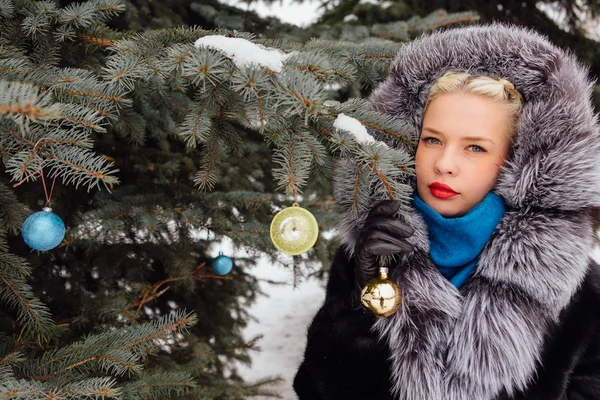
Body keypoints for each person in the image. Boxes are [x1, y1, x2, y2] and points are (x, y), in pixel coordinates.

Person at [293, 23, 600, 400]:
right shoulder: (369, 255)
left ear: (514, 162)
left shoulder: (575, 286)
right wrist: (361, 303)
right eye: (432, 140)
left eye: (475, 148)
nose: (444, 164)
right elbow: (317, 390)